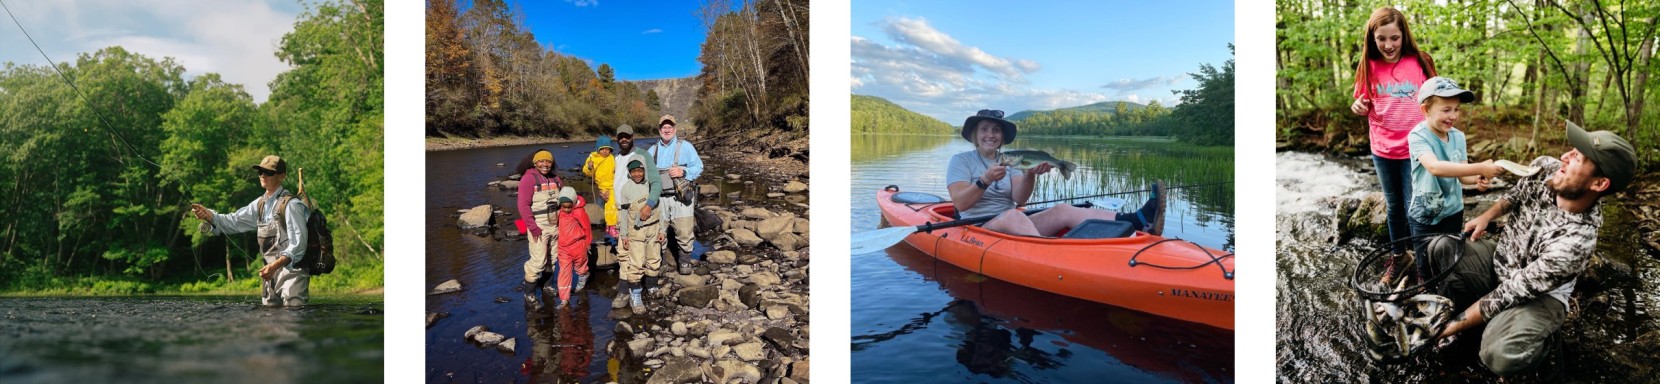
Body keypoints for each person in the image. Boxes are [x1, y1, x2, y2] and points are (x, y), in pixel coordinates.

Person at [1432, 121, 1636, 376]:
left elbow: (1511, 292)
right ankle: (1472, 326)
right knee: (1442, 247)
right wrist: (1488, 216)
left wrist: (1449, 326)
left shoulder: (1576, 242)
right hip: (1501, 260)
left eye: (1577, 157)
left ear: (1599, 184)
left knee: (1498, 354)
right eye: (1572, 149)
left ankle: (1544, 347)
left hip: (1540, 298)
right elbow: (1515, 194)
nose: (1564, 156)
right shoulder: (1546, 168)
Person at [946, 109, 1165, 237]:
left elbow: (1019, 199)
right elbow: (961, 203)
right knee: (1014, 215)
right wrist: (984, 180)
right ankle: (1049, 256)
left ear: (1002, 137)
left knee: (1061, 210)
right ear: (974, 135)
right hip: (977, 229)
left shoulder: (1009, 161)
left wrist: (1030, 174)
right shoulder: (961, 161)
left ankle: (1138, 220)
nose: (990, 135)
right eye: (984, 129)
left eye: (996, 130)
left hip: (1012, 223)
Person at [1350, 6, 1440, 280]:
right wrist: (1358, 106)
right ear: (1372, 39)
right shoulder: (1368, 66)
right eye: (1382, 39)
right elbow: (1362, 101)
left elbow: (1437, 100)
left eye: (1394, 38)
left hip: (1416, 149)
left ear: (1404, 36)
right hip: (1382, 149)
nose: (1388, 45)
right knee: (1394, 206)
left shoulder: (1420, 63)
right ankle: (1399, 257)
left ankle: (1425, 266)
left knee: (1416, 206)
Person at [1399, 77, 1504, 283]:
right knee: (1425, 264)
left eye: (1457, 109)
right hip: (1424, 214)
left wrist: (1477, 178)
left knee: (1450, 259)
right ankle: (1426, 294)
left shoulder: (1458, 137)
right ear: (1425, 110)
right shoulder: (1418, 136)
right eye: (1446, 110)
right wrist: (1481, 166)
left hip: (1453, 210)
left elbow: (1462, 174)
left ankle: (1448, 292)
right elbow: (1435, 167)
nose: (1453, 116)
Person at [190, 155, 310, 306]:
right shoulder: (258, 205)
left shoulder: (292, 205)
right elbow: (232, 222)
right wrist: (210, 215)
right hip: (269, 276)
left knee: (293, 320)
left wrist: (275, 266)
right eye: (260, 172)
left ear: (282, 176)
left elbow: (298, 245)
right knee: (269, 323)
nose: (263, 176)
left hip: (292, 274)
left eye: (269, 172)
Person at [649, 114, 703, 275]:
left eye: (669, 127)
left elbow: (699, 167)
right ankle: (662, 260)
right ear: (659, 130)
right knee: (659, 230)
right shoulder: (652, 150)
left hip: (681, 196)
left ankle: (685, 261)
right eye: (663, 127)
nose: (667, 130)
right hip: (659, 198)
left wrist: (683, 171)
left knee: (684, 230)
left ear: (675, 129)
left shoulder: (685, 146)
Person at [516, 149, 564, 309]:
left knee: (552, 258)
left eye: (548, 161)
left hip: (555, 227)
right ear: (535, 163)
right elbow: (523, 206)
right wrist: (533, 227)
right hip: (538, 227)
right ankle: (529, 294)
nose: (545, 164)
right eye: (541, 161)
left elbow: (564, 200)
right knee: (538, 261)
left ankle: (547, 285)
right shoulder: (528, 179)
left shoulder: (556, 179)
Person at [617, 159, 665, 309]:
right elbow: (624, 215)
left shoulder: (652, 185)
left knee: (654, 258)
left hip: (654, 228)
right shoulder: (626, 189)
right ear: (629, 174)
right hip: (636, 231)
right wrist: (624, 235)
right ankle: (635, 296)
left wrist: (662, 229)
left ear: (644, 171)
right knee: (636, 263)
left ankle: (651, 286)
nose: (637, 174)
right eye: (633, 172)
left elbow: (660, 209)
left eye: (639, 171)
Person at [551, 187, 591, 309]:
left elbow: (587, 227)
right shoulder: (559, 211)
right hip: (563, 248)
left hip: (578, 245)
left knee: (580, 266)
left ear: (574, 203)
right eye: (564, 207)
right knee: (564, 272)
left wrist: (588, 242)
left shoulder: (578, 212)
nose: (567, 209)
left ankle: (583, 275)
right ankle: (564, 299)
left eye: (569, 206)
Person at [581, 136, 619, 240]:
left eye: (607, 149)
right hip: (602, 185)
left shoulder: (612, 158)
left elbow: (616, 169)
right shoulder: (592, 158)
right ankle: (608, 225)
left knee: (613, 204)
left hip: (613, 184)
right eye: (602, 149)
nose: (605, 151)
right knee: (607, 204)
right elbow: (587, 172)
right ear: (598, 149)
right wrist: (589, 167)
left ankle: (612, 225)